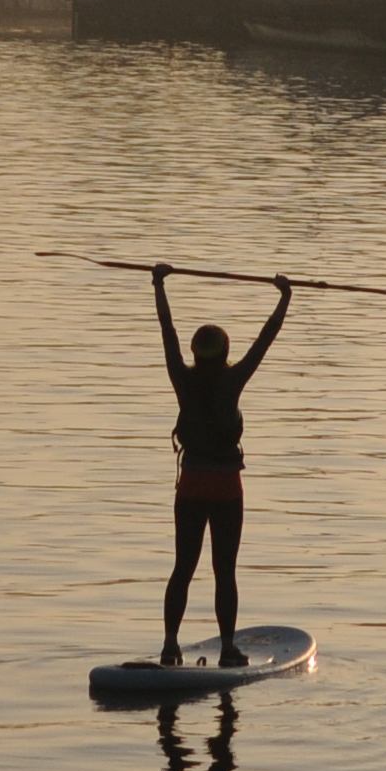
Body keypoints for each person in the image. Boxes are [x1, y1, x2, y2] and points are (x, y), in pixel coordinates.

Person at [152, 262, 290, 667]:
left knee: (183, 567)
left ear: (195, 353)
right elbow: (266, 339)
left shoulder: (182, 378)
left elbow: (167, 332)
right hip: (226, 487)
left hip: (192, 484)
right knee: (224, 570)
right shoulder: (233, 381)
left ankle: (170, 645)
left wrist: (159, 284)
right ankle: (228, 648)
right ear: (225, 353)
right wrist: (284, 297)